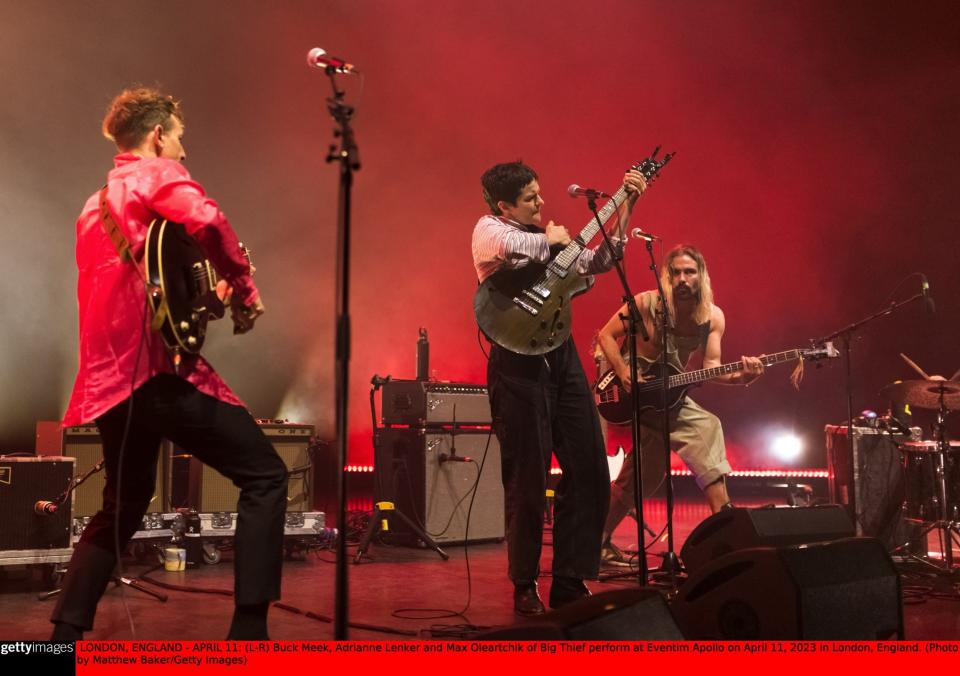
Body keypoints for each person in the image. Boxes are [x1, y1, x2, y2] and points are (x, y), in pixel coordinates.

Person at [51, 87, 287, 640]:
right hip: (159, 372)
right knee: (266, 477)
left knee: (122, 507)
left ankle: (62, 637)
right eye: (179, 137)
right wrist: (247, 288)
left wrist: (215, 298)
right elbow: (207, 218)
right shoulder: (155, 176)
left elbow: (148, 288)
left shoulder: (91, 208)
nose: (183, 151)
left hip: (109, 386)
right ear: (158, 135)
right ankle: (249, 634)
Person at [472, 161, 647, 615]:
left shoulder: (554, 240)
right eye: (530, 198)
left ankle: (569, 579)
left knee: (590, 467)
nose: (541, 203)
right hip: (516, 361)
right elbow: (506, 246)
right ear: (504, 204)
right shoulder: (489, 228)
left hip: (561, 353)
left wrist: (624, 207)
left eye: (539, 194)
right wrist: (547, 239)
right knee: (528, 477)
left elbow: (601, 260)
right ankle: (525, 584)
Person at [596, 244, 764, 566]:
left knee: (642, 477)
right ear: (666, 277)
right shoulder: (646, 303)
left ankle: (595, 543)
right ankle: (726, 528)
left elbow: (713, 366)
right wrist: (622, 372)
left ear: (701, 276)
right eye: (676, 273)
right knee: (707, 426)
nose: (683, 279)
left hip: (668, 397)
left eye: (690, 272)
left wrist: (744, 377)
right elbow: (605, 336)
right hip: (635, 395)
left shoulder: (711, 317)